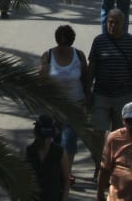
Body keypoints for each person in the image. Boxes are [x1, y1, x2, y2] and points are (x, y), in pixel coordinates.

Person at [87, 9, 132, 174]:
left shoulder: (131, 42)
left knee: (119, 135)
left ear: (123, 24)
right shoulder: (99, 41)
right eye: (109, 22)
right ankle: (99, 165)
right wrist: (87, 91)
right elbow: (92, 68)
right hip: (101, 95)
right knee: (97, 134)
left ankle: (114, 166)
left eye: (115, 22)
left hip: (123, 96)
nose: (112, 25)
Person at [39, 25, 92, 183]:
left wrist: (88, 99)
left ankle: (66, 173)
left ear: (71, 42)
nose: (62, 47)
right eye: (60, 44)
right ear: (56, 41)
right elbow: (40, 81)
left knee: (69, 141)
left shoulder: (79, 55)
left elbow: (85, 79)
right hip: (54, 107)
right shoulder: (48, 56)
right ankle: (55, 171)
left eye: (66, 44)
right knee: (53, 141)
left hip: (75, 105)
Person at [25, 114, 71, 201]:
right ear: (36, 134)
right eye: (44, 137)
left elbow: (67, 180)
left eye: (49, 137)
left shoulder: (60, 152)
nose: (47, 141)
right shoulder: (28, 152)